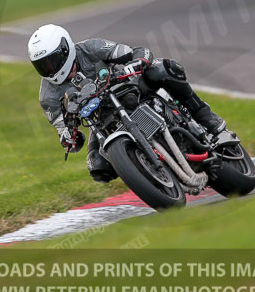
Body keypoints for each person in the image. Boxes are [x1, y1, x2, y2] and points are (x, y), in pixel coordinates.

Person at [28, 24, 227, 182]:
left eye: (51, 61)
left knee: (164, 69)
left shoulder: (90, 48)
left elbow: (138, 52)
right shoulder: (47, 96)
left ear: (65, 49)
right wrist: (69, 139)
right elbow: (64, 132)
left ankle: (207, 119)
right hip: (101, 120)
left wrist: (136, 63)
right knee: (97, 167)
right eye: (42, 66)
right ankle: (150, 175)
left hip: (128, 89)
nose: (49, 69)